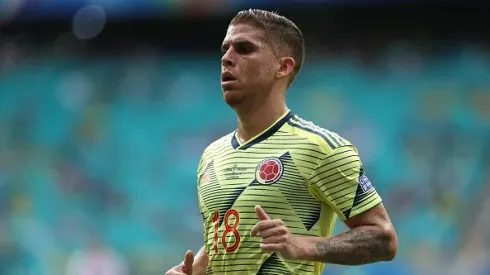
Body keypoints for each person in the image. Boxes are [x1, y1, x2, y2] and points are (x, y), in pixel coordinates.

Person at [166, 9, 398, 275]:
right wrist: (194, 270)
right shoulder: (212, 155)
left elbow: (383, 238)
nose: (227, 59)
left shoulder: (321, 148)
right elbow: (227, 241)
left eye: (244, 49)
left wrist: (303, 246)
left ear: (283, 67)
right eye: (225, 49)